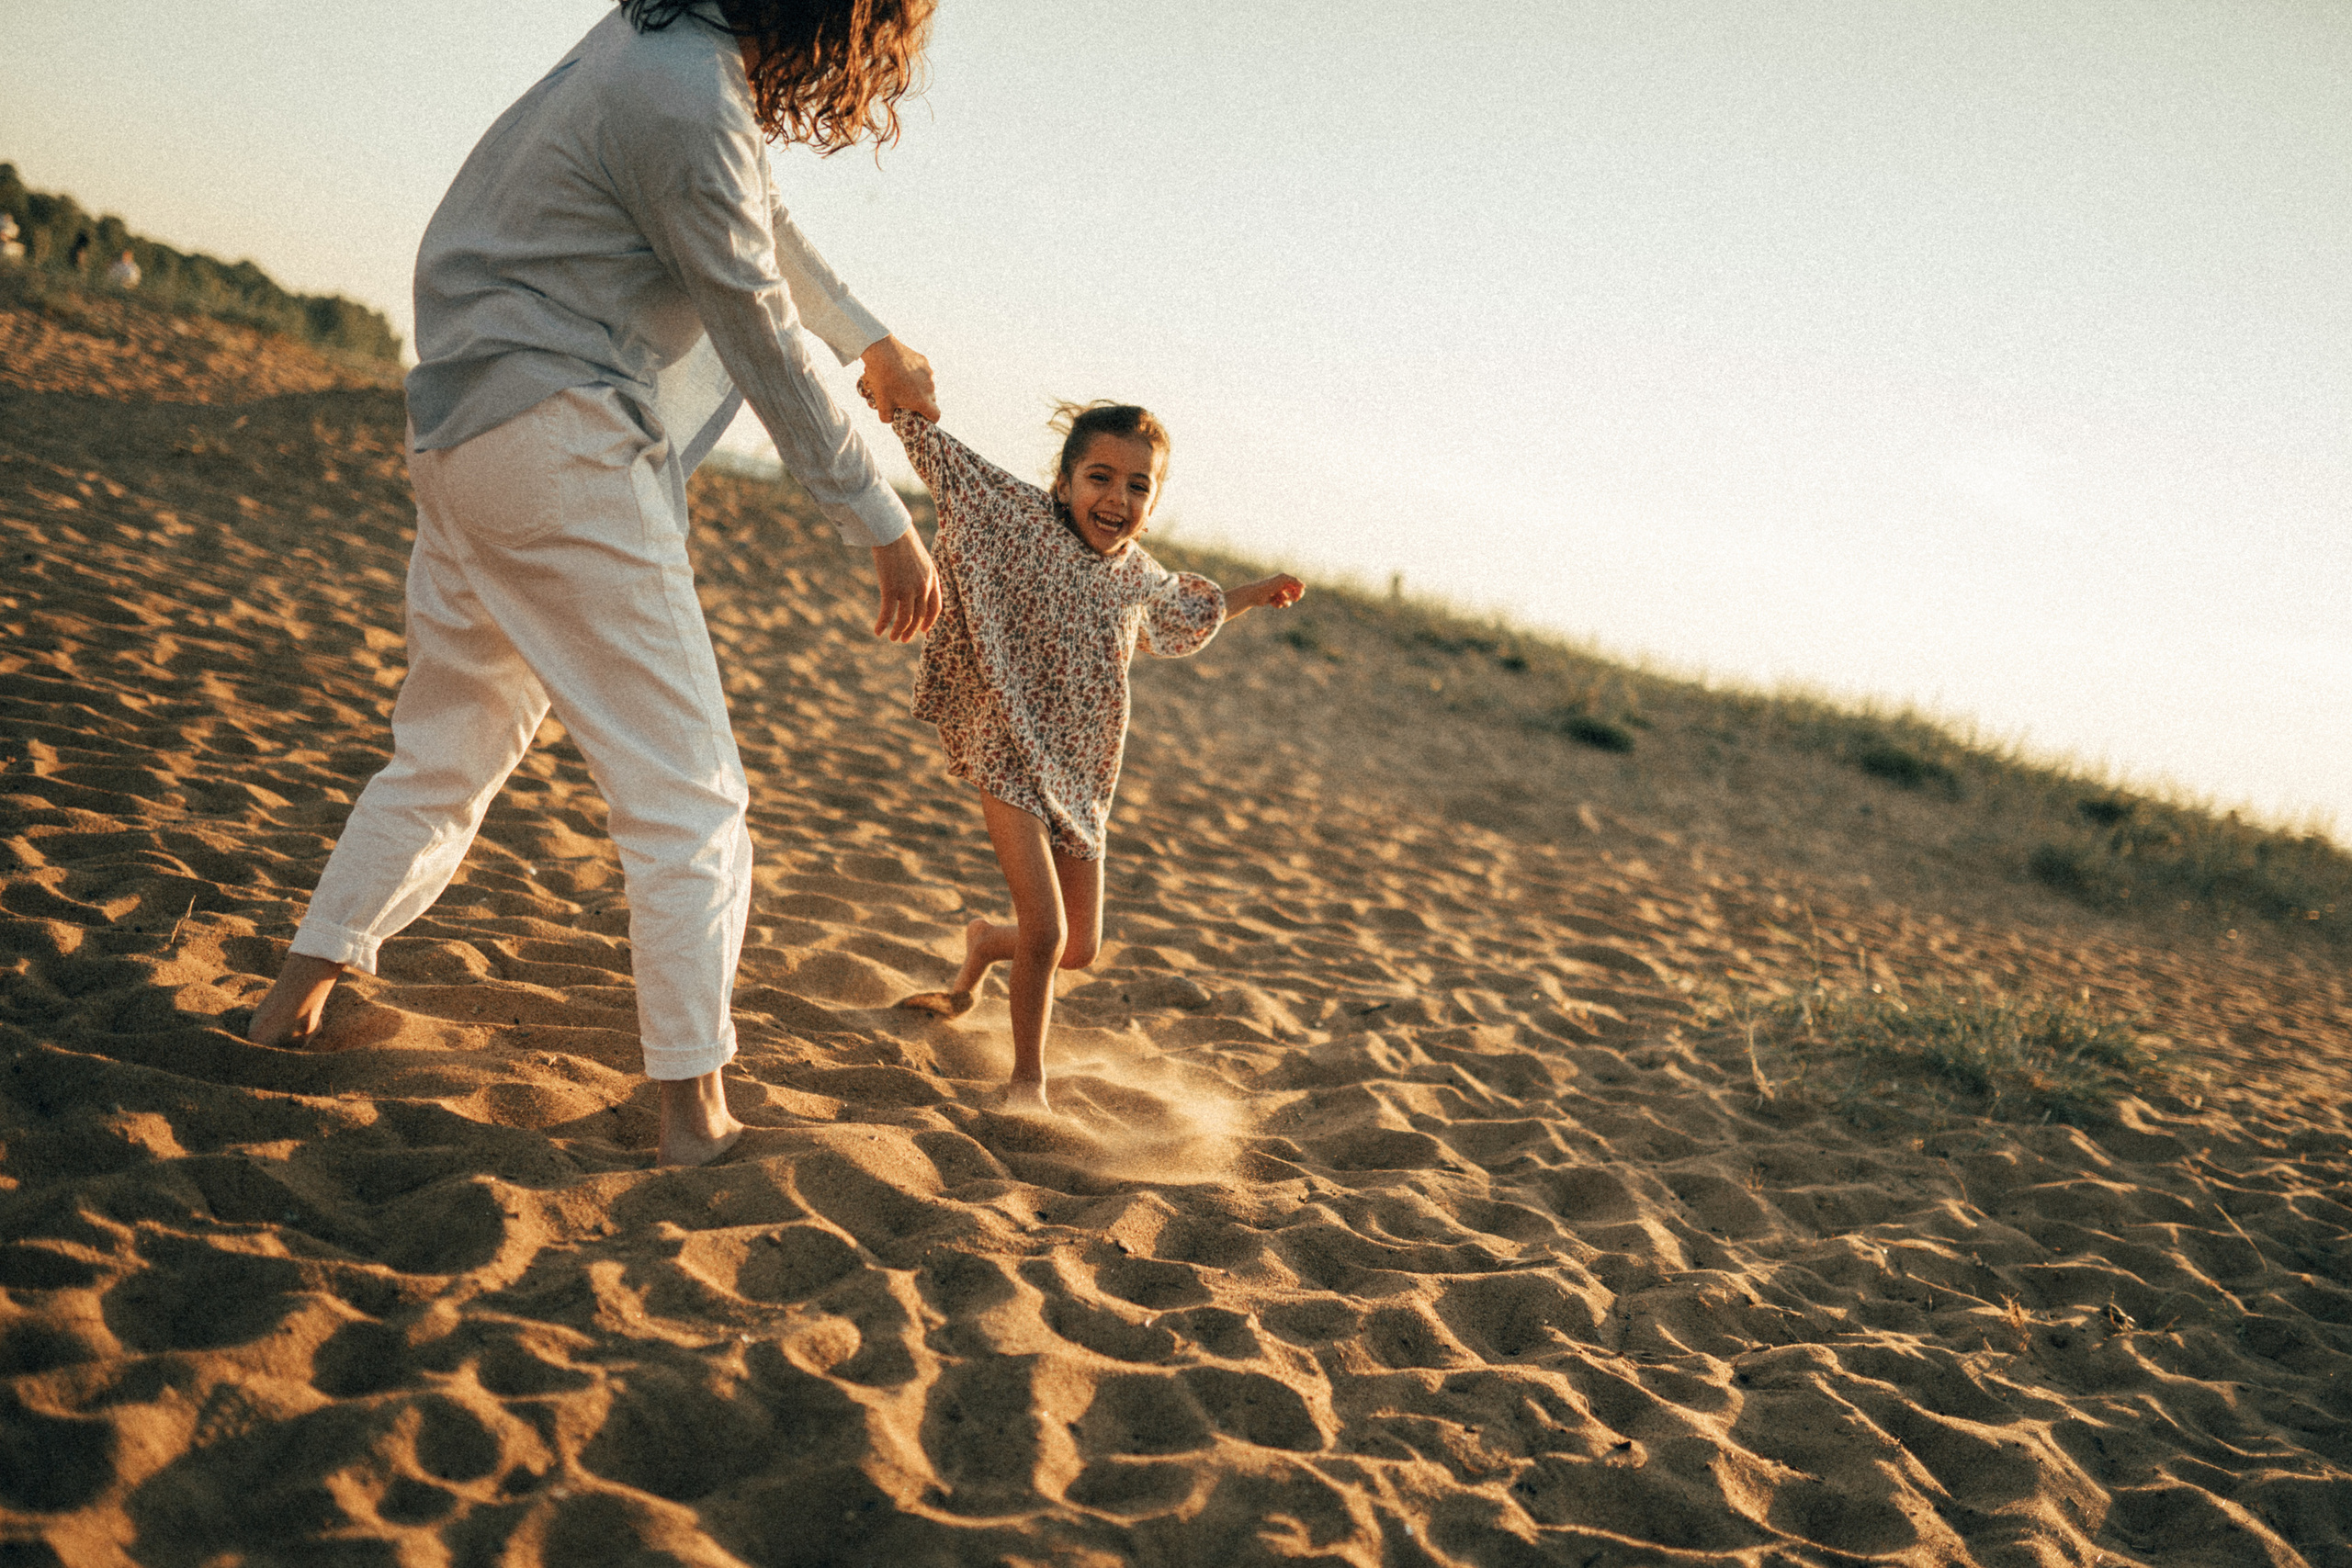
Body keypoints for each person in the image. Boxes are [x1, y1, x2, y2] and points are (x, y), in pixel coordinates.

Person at [244, 0, 944, 1168]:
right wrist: (878, 518)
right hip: (557, 445)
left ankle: (289, 1007)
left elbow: (759, 219)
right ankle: (695, 1117)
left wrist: (866, 336)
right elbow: (755, 326)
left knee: (446, 750)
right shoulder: (688, 96)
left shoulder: (647, 44)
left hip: (468, 432)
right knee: (692, 795)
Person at [887, 400, 1304, 1109]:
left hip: (1084, 779)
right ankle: (1027, 1083)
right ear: (1064, 481)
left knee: (1078, 947)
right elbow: (947, 464)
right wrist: (891, 389)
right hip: (1010, 752)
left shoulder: (1137, 575)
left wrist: (1256, 595)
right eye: (1099, 477)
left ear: (1153, 503)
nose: (1116, 498)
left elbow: (1188, 613)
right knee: (1046, 930)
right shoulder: (1022, 520)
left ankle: (985, 943)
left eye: (1138, 486)